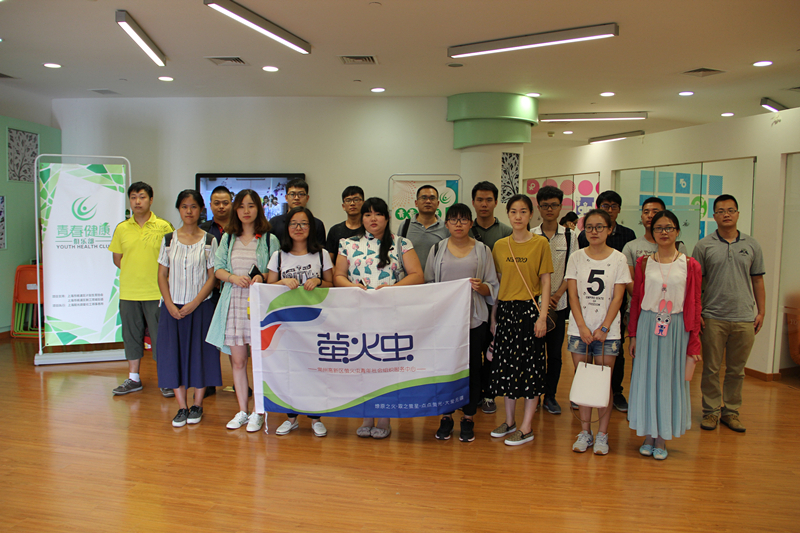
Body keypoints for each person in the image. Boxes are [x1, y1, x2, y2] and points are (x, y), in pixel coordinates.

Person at [334, 197, 424, 439]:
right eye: (368, 214)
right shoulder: (347, 244)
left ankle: (384, 417)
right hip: (357, 314)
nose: (373, 219)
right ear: (361, 218)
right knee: (362, 365)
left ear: (387, 217)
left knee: (385, 365)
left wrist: (391, 290)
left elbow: (417, 275)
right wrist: (353, 287)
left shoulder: (401, 243)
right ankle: (366, 415)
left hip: (390, 315)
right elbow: (338, 276)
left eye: (378, 214)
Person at [628, 210, 702, 460]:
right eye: (658, 228)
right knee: (647, 378)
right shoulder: (644, 263)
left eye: (669, 227)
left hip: (676, 327)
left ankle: (662, 438)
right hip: (648, 324)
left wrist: (694, 343)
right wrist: (633, 334)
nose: (664, 232)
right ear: (652, 232)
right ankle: (648, 434)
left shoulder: (690, 264)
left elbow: (695, 303)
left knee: (669, 380)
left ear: (677, 231)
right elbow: (636, 300)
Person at [424, 203, 499, 442]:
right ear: (446, 224)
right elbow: (428, 284)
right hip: (444, 321)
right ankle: (446, 416)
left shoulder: (483, 250)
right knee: (445, 369)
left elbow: (493, 286)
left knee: (473, 368)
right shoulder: (437, 249)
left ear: (470, 223)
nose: (459, 224)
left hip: (474, 319)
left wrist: (482, 287)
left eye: (464, 219)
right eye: (454, 220)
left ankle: (468, 417)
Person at [206, 189, 280, 432]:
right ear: (235, 210)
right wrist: (232, 277)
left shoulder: (269, 239)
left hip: (259, 307)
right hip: (234, 305)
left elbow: (276, 272)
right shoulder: (228, 238)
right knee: (238, 362)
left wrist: (263, 276)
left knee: (258, 361)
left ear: (259, 209)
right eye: (241, 206)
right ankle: (242, 410)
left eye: (251, 206)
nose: (246, 211)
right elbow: (218, 269)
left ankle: (259, 411)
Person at [693, 194, 765, 433]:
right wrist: (698, 312)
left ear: (738, 214)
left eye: (731, 210)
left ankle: (731, 412)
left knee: (737, 370)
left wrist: (761, 312)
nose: (726, 214)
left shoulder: (752, 245)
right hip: (713, 316)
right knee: (711, 368)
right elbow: (696, 283)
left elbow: (758, 280)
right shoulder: (704, 245)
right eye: (721, 211)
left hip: (744, 317)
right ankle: (711, 412)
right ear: (714, 216)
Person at [488, 194, 553, 446]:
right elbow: (498, 282)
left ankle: (526, 427)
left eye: (523, 211)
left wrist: (542, 317)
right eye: (513, 211)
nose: (518, 216)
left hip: (530, 311)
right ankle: (510, 421)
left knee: (531, 369)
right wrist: (494, 316)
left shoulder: (540, 244)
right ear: (508, 214)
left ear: (531, 215)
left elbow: (545, 281)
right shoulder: (500, 246)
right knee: (506, 368)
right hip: (506, 312)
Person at [566, 208, 631, 455]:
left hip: (608, 333)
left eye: (599, 227)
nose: (594, 232)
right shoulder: (576, 257)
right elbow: (573, 295)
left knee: (604, 384)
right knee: (583, 381)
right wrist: (582, 326)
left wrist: (604, 327)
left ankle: (603, 434)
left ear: (609, 230)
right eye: (590, 227)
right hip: (579, 330)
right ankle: (585, 432)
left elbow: (618, 297)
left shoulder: (619, 258)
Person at [156, 190, 222, 427]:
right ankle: (182, 407)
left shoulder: (209, 240)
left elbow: (213, 276)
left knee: (200, 355)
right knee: (173, 355)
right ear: (179, 209)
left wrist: (194, 303)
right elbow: (162, 275)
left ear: (201, 209)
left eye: (193, 206)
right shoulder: (168, 240)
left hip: (200, 307)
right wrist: (170, 304)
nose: (189, 211)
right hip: (172, 309)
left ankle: (197, 405)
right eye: (184, 206)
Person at [266, 206, 334, 438]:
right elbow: (267, 288)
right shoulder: (278, 256)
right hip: (286, 324)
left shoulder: (321, 254)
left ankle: (316, 417)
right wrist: (282, 282)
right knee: (289, 370)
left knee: (315, 370)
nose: (298, 228)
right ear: (287, 227)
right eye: (294, 223)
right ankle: (291, 418)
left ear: (311, 227)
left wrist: (318, 281)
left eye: (304, 223)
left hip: (315, 323)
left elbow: (332, 284)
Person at [109, 182, 174, 396]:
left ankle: (165, 379)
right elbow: (117, 259)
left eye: (142, 197)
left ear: (151, 200)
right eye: (134, 197)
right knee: (131, 336)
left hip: (156, 292)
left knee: (160, 338)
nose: (137, 201)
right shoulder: (122, 228)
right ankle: (133, 378)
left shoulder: (163, 226)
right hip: (129, 292)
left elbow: (172, 258)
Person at [578, 191, 636, 413]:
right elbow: (575, 288)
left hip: (613, 311)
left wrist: (605, 325)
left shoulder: (626, 239)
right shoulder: (581, 244)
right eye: (605, 205)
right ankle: (584, 414)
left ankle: (615, 393)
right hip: (585, 314)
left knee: (612, 362)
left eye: (613, 206)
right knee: (584, 369)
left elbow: (621, 290)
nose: (594, 231)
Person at [532, 186, 579, 415]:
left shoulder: (571, 236)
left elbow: (573, 270)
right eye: (545, 205)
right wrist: (539, 297)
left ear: (561, 207)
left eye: (554, 205)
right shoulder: (531, 235)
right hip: (534, 305)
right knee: (534, 354)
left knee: (555, 355)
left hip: (558, 305)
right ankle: (534, 395)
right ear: (538, 207)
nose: (549, 209)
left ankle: (550, 396)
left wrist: (558, 294)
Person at [470, 181, 512, 415]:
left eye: (488, 200)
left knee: (493, 351)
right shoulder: (465, 228)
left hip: (498, 300)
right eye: (479, 200)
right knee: (472, 351)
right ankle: (473, 393)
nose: (484, 204)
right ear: (473, 202)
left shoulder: (506, 232)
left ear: (496, 202)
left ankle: (489, 394)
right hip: (472, 302)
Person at [199, 185, 234, 397]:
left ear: (232, 204)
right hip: (208, 292)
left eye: (225, 203)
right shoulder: (202, 230)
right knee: (209, 338)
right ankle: (209, 382)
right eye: (217, 203)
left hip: (233, 289)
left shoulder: (239, 228)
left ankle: (240, 383)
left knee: (234, 339)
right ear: (210, 205)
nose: (221, 207)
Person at [622, 197, 688, 283]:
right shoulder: (630, 246)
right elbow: (629, 280)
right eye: (646, 212)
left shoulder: (678, 247)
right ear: (641, 217)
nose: (650, 215)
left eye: (655, 212)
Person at [398, 184, 449, 274]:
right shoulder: (405, 225)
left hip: (437, 280)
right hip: (410, 280)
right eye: (424, 198)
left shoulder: (446, 227)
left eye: (432, 198)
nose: (428, 201)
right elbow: (398, 253)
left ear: (438, 203)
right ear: (416, 203)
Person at [268, 178, 326, 245]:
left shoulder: (317, 224)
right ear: (286, 198)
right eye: (292, 194)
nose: (296, 198)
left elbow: (319, 249)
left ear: (307, 198)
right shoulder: (274, 223)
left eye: (301, 194)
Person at [325, 186, 364, 262]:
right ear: (343, 206)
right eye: (348, 200)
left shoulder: (369, 229)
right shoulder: (335, 230)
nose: (352, 203)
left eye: (356, 200)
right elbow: (329, 261)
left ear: (363, 204)